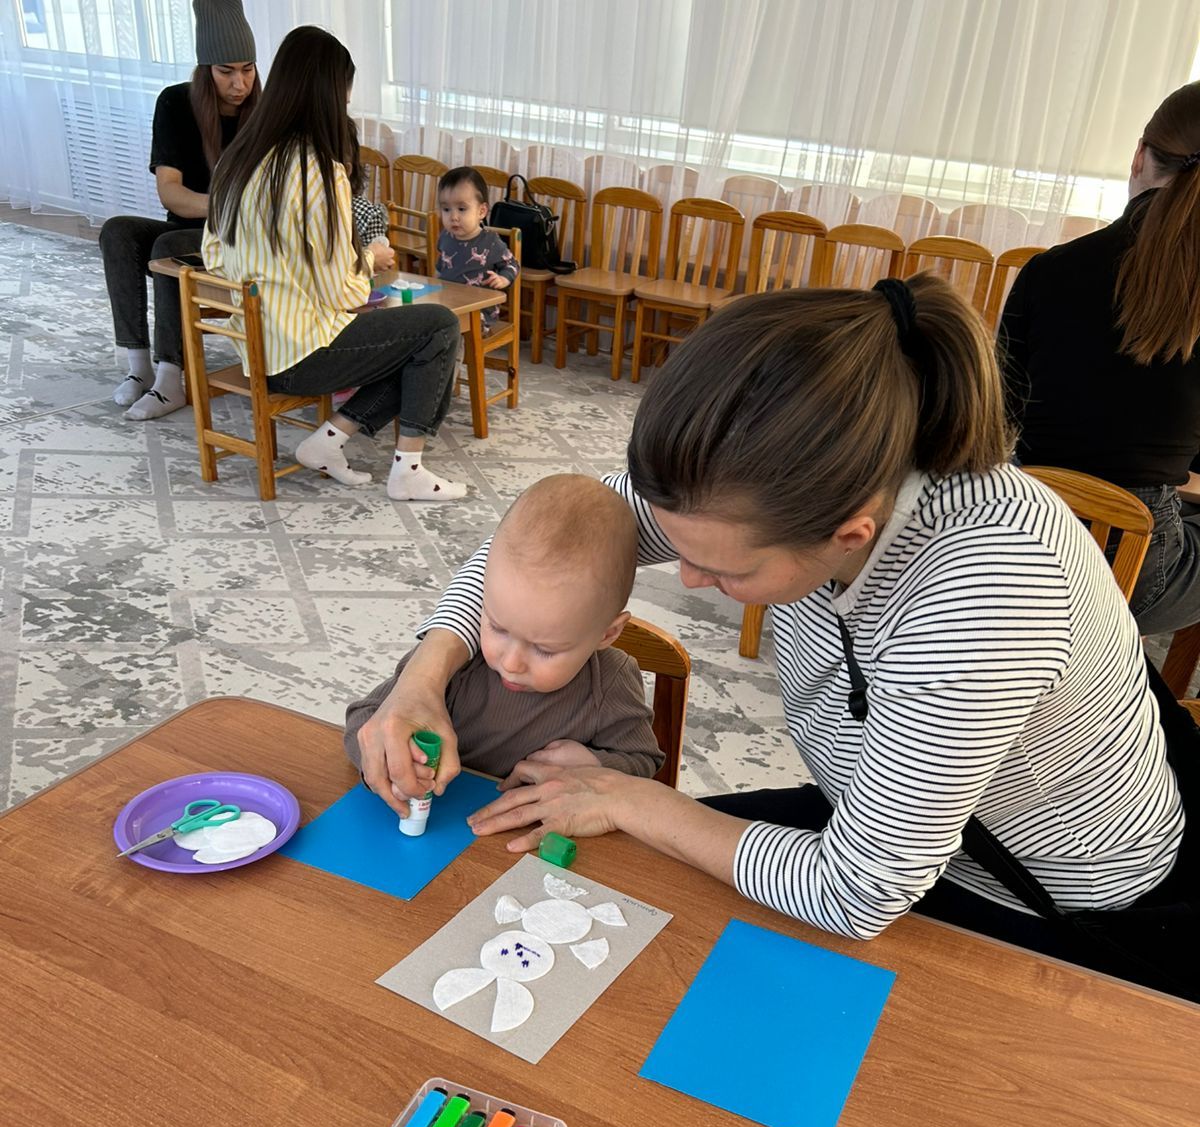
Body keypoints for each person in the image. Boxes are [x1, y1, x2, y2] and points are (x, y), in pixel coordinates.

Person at [354, 282, 1199, 1000]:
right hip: (872, 824)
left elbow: (858, 892)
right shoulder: (758, 484)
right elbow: (538, 545)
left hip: (1048, 906)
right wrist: (424, 678)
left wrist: (628, 798)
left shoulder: (984, 595)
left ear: (848, 535)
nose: (684, 577)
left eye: (723, 571)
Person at [203, 26, 465, 500]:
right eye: (344, 98)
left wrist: (275, 273)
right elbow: (340, 292)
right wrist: (370, 258)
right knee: (439, 327)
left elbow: (213, 255)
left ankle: (328, 441)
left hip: (255, 347)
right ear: (327, 97)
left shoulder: (236, 161)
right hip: (303, 353)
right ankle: (407, 470)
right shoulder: (318, 173)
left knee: (410, 343)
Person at [1000, 81, 1200, 636]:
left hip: (1022, 542)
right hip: (1133, 570)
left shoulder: (1048, 269)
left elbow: (1000, 413)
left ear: (1139, 157)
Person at [346, 476, 662, 795]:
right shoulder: (458, 659)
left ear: (607, 633)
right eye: (497, 627)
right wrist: (392, 765)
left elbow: (643, 762)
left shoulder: (610, 682)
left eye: (544, 649)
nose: (510, 663)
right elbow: (364, 719)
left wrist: (595, 765)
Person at [98, 0, 259, 421]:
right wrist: (225, 205)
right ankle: (139, 367)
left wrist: (227, 213)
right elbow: (171, 193)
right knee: (118, 231)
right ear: (206, 70)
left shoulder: (266, 114)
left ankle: (171, 378)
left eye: (247, 69)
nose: (239, 83)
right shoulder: (175, 103)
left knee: (167, 247)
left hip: (239, 241)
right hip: (191, 228)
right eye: (226, 71)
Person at [434, 167, 519, 330]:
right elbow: (440, 267)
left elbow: (512, 264)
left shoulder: (491, 242)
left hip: (479, 313)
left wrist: (503, 279)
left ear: (481, 211)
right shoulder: (445, 236)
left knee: (448, 329)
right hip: (449, 306)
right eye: (446, 209)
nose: (453, 217)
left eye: (462, 209)